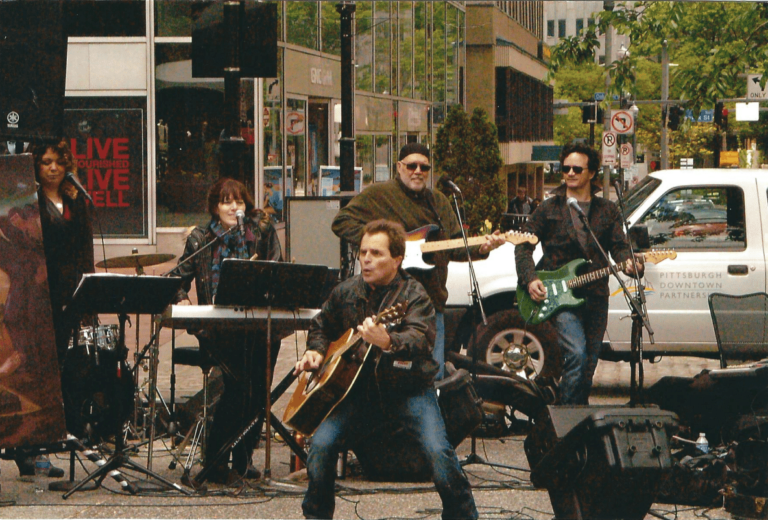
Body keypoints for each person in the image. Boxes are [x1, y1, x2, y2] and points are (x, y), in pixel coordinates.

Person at [295, 219, 478, 520]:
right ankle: (316, 515)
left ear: (397, 259)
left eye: (376, 254)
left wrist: (389, 341)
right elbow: (321, 325)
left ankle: (462, 516)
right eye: (364, 252)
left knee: (438, 452)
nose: (366, 259)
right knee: (322, 445)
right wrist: (315, 351)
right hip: (356, 393)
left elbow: (420, 339)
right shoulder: (346, 291)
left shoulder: (415, 295)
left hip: (408, 390)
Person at [332, 142, 506, 380]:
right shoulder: (379, 194)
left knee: (431, 370)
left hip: (431, 300)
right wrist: (383, 244)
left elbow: (454, 246)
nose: (417, 171)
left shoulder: (439, 201)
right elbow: (341, 222)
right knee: (382, 370)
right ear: (399, 167)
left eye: (424, 167)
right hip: (387, 303)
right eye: (411, 165)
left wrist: (483, 248)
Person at [514, 142, 642, 405]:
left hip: (595, 296)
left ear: (592, 173)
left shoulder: (607, 210)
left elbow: (619, 247)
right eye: (565, 168)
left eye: (576, 169)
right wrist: (530, 278)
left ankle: (577, 414)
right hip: (559, 296)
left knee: (589, 363)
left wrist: (630, 263)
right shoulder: (549, 208)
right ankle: (566, 422)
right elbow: (523, 245)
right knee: (576, 353)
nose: (570, 173)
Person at [173, 177, 282, 485]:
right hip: (220, 331)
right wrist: (188, 307)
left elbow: (278, 271)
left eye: (239, 201)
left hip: (260, 328)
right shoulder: (201, 238)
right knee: (238, 391)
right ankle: (217, 462)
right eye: (226, 201)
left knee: (258, 393)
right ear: (215, 207)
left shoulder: (261, 233)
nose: (233, 207)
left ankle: (243, 461)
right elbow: (178, 281)